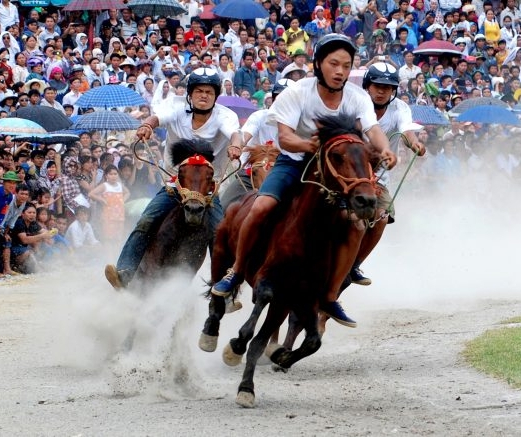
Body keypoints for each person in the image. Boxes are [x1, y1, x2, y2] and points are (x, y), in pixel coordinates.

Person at [211, 34, 397, 328]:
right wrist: (309, 146)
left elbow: (372, 129)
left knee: (360, 222)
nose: (340, 71)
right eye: (333, 63)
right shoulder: (297, 92)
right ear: (318, 63)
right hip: (294, 162)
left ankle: (331, 295)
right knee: (261, 207)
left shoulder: (358, 97)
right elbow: (284, 137)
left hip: (336, 169)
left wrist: (384, 148)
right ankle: (235, 270)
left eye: (346, 66)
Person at [104, 67, 242, 289]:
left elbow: (234, 133)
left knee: (221, 234)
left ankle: (225, 289)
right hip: (175, 183)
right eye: (199, 91)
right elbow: (158, 117)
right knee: (146, 220)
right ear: (190, 94)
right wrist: (148, 125)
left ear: (216, 95)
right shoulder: (176, 106)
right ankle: (124, 272)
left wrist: (236, 145)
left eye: (209, 91)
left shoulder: (226, 116)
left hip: (208, 188)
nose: (204, 95)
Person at [352, 61, 425, 285]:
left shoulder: (400, 108)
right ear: (368, 86)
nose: (382, 91)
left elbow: (407, 131)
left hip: (378, 177)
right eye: (377, 86)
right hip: (349, 173)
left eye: (388, 87)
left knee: (382, 218)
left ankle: (354, 266)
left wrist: (415, 145)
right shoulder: (356, 104)